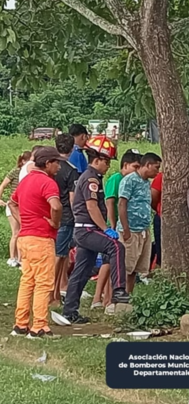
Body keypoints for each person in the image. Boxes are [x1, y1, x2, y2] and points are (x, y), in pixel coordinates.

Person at [62, 136, 129, 324]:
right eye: (106, 162)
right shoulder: (91, 178)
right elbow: (92, 207)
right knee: (116, 247)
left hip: (83, 229)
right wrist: (106, 228)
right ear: (97, 160)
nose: (108, 166)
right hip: (88, 230)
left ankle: (70, 311)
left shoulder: (92, 177)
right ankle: (118, 290)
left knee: (81, 271)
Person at [9, 147, 64, 338]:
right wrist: (55, 222)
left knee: (27, 281)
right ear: (48, 164)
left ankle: (20, 324)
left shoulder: (25, 181)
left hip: (24, 237)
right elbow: (56, 206)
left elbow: (12, 202)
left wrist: (23, 221)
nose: (58, 166)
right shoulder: (47, 183)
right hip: (41, 238)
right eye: (56, 162)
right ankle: (39, 326)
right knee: (44, 282)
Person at [92, 149, 142, 310]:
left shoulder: (134, 181)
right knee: (109, 263)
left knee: (118, 263)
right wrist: (111, 226)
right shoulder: (116, 179)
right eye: (135, 167)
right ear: (125, 165)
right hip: (113, 226)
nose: (137, 171)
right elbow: (110, 203)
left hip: (124, 225)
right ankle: (102, 298)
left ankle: (113, 298)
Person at [118, 152, 161, 293]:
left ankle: (128, 294)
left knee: (136, 267)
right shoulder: (129, 180)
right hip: (130, 229)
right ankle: (119, 294)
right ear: (147, 165)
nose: (157, 171)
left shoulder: (146, 183)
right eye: (156, 167)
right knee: (126, 266)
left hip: (143, 229)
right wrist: (126, 229)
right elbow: (122, 203)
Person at [52, 134, 79, 303]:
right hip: (66, 216)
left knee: (60, 255)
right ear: (72, 148)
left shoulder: (50, 167)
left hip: (51, 214)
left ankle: (55, 292)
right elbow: (72, 198)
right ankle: (50, 292)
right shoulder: (71, 170)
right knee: (60, 255)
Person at [0, 150, 31, 267]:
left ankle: (20, 258)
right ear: (23, 161)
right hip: (13, 204)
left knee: (22, 231)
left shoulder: (28, 174)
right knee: (16, 232)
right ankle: (12, 258)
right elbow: (3, 185)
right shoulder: (16, 172)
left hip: (22, 205)